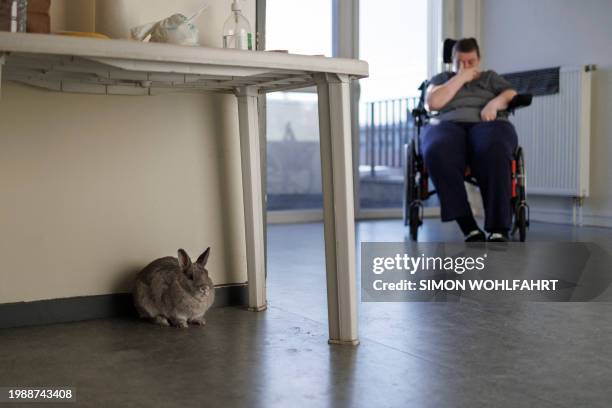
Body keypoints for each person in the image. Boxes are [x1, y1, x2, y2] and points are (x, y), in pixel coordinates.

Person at [423, 37, 518, 242]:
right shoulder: (442, 78)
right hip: (448, 125)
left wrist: (495, 103)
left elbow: (511, 93)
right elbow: (432, 103)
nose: (465, 66)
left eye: (470, 62)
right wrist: (461, 77)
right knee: (437, 149)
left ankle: (498, 228)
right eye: (460, 62)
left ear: (479, 59)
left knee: (495, 147)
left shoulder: (489, 77)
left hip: (487, 123)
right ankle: (468, 225)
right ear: (453, 61)